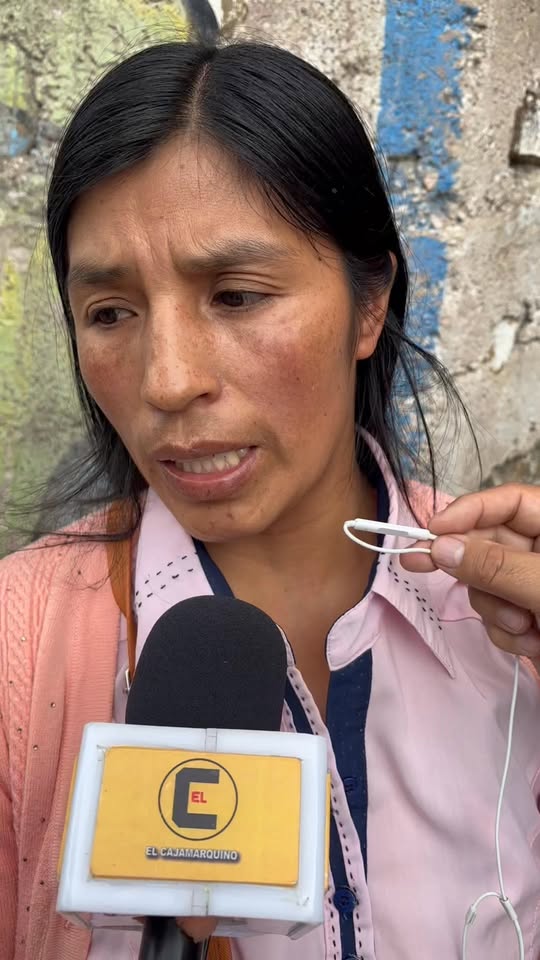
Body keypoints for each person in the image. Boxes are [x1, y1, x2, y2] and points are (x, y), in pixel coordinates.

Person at [0, 39, 538, 960]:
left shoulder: (508, 627)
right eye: (111, 313)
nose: (168, 381)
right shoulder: (19, 650)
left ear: (369, 305)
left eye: (238, 296)